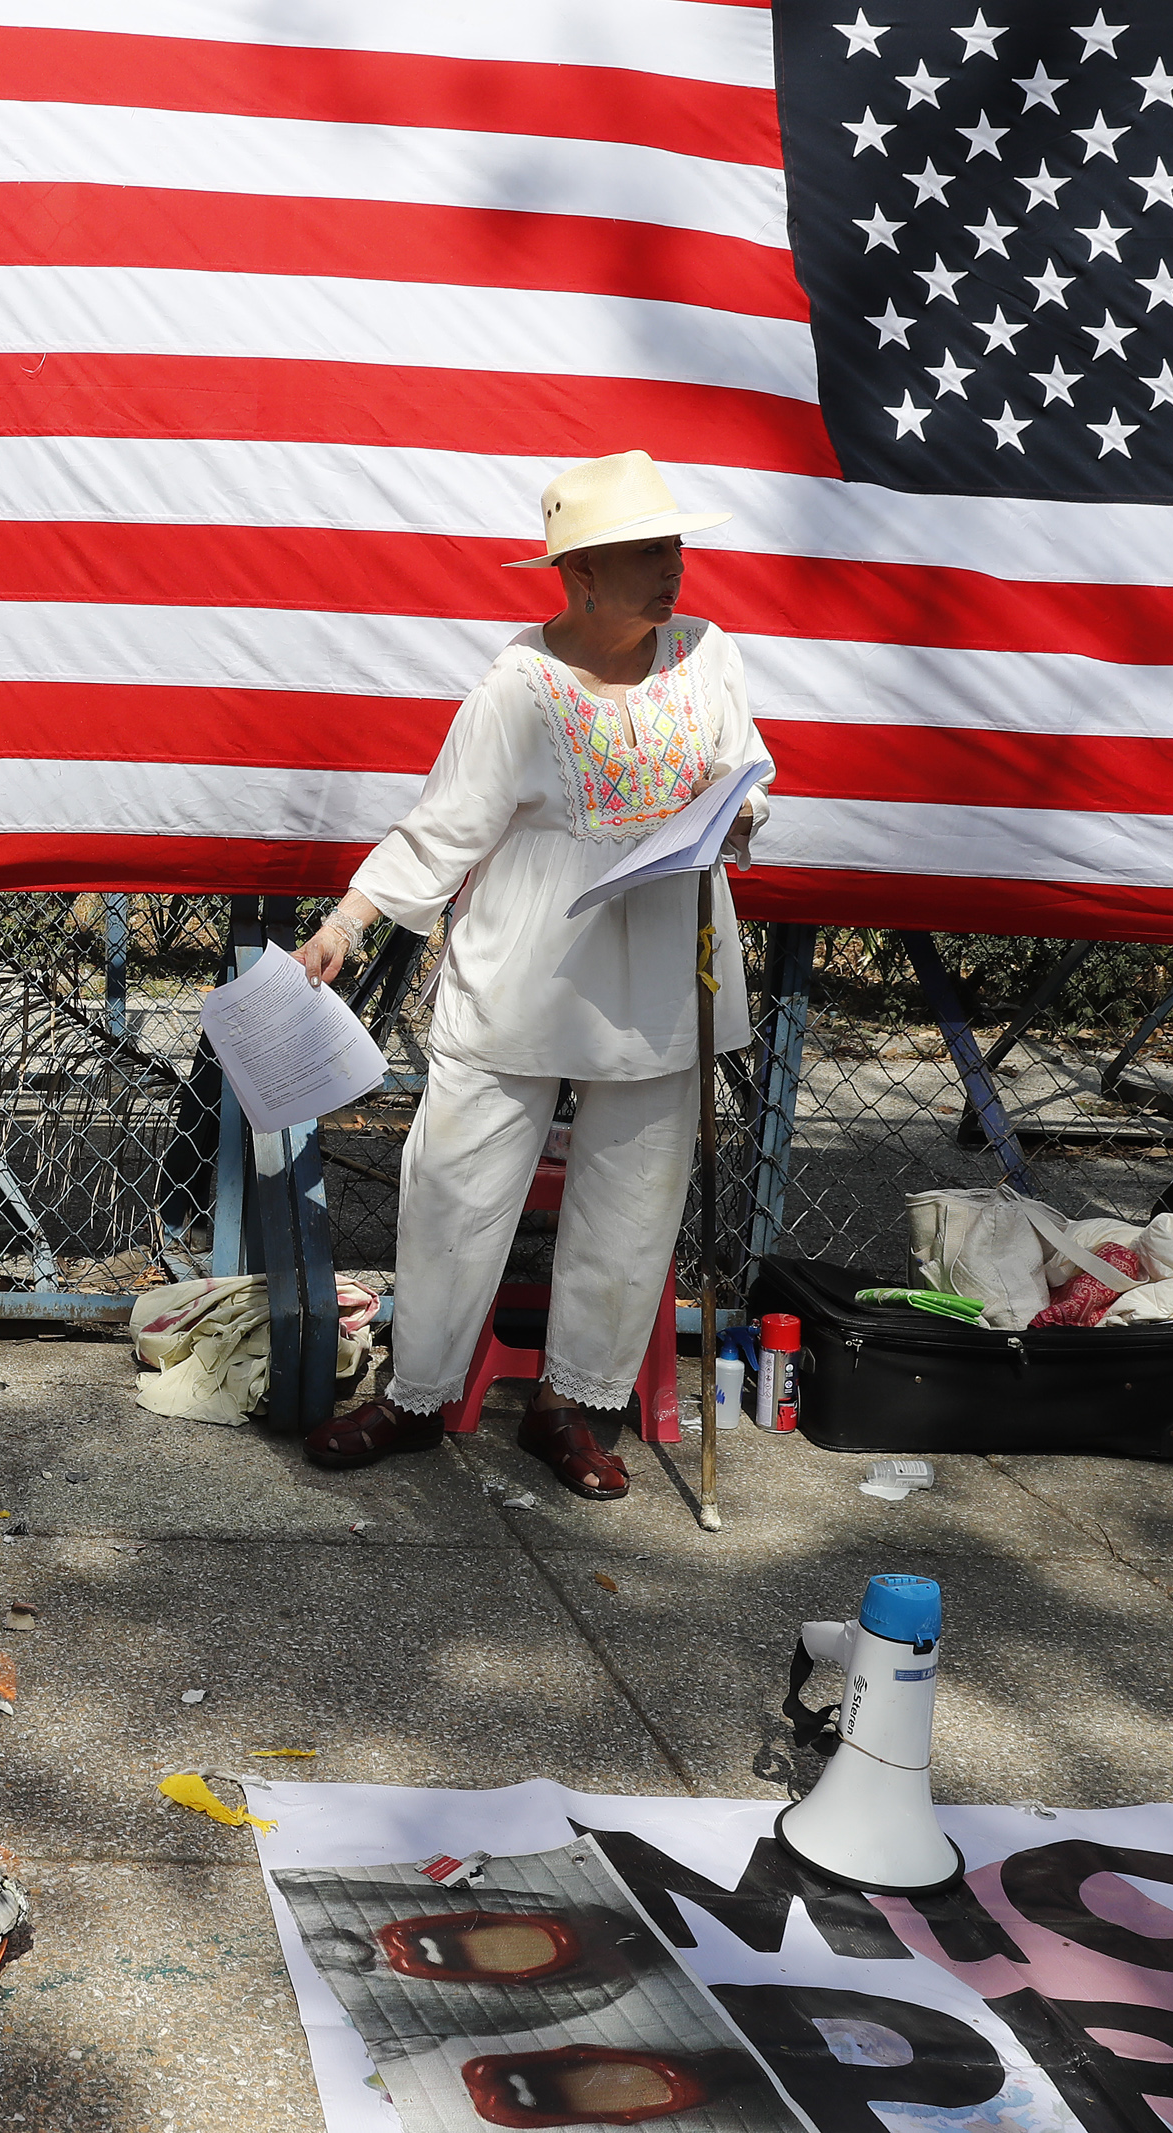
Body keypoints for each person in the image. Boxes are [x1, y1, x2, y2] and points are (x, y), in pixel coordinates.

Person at [293, 453, 767, 1500]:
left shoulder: (705, 655)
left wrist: (734, 813)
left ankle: (570, 1404)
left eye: (671, 546)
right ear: (578, 574)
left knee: (632, 1200)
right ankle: (411, 1398)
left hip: (660, 965)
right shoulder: (516, 687)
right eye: (644, 551)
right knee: (454, 1180)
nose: (670, 569)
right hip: (523, 967)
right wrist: (348, 922)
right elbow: (443, 827)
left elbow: (744, 773)